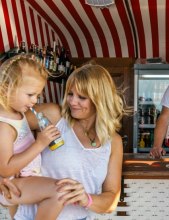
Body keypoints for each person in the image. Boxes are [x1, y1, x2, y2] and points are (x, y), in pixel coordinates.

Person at [2, 63, 127, 219]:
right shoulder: (53, 116)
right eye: (70, 94)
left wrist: (86, 199)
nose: (72, 102)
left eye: (81, 97)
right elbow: (5, 124)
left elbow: (111, 201)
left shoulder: (113, 141)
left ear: (100, 100)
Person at [0, 54, 65, 219]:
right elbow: (5, 168)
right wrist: (40, 143)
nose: (34, 101)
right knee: (60, 192)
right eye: (30, 95)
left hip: (25, 179)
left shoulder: (17, 114)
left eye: (37, 95)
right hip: (13, 183)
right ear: (6, 88)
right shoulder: (4, 126)